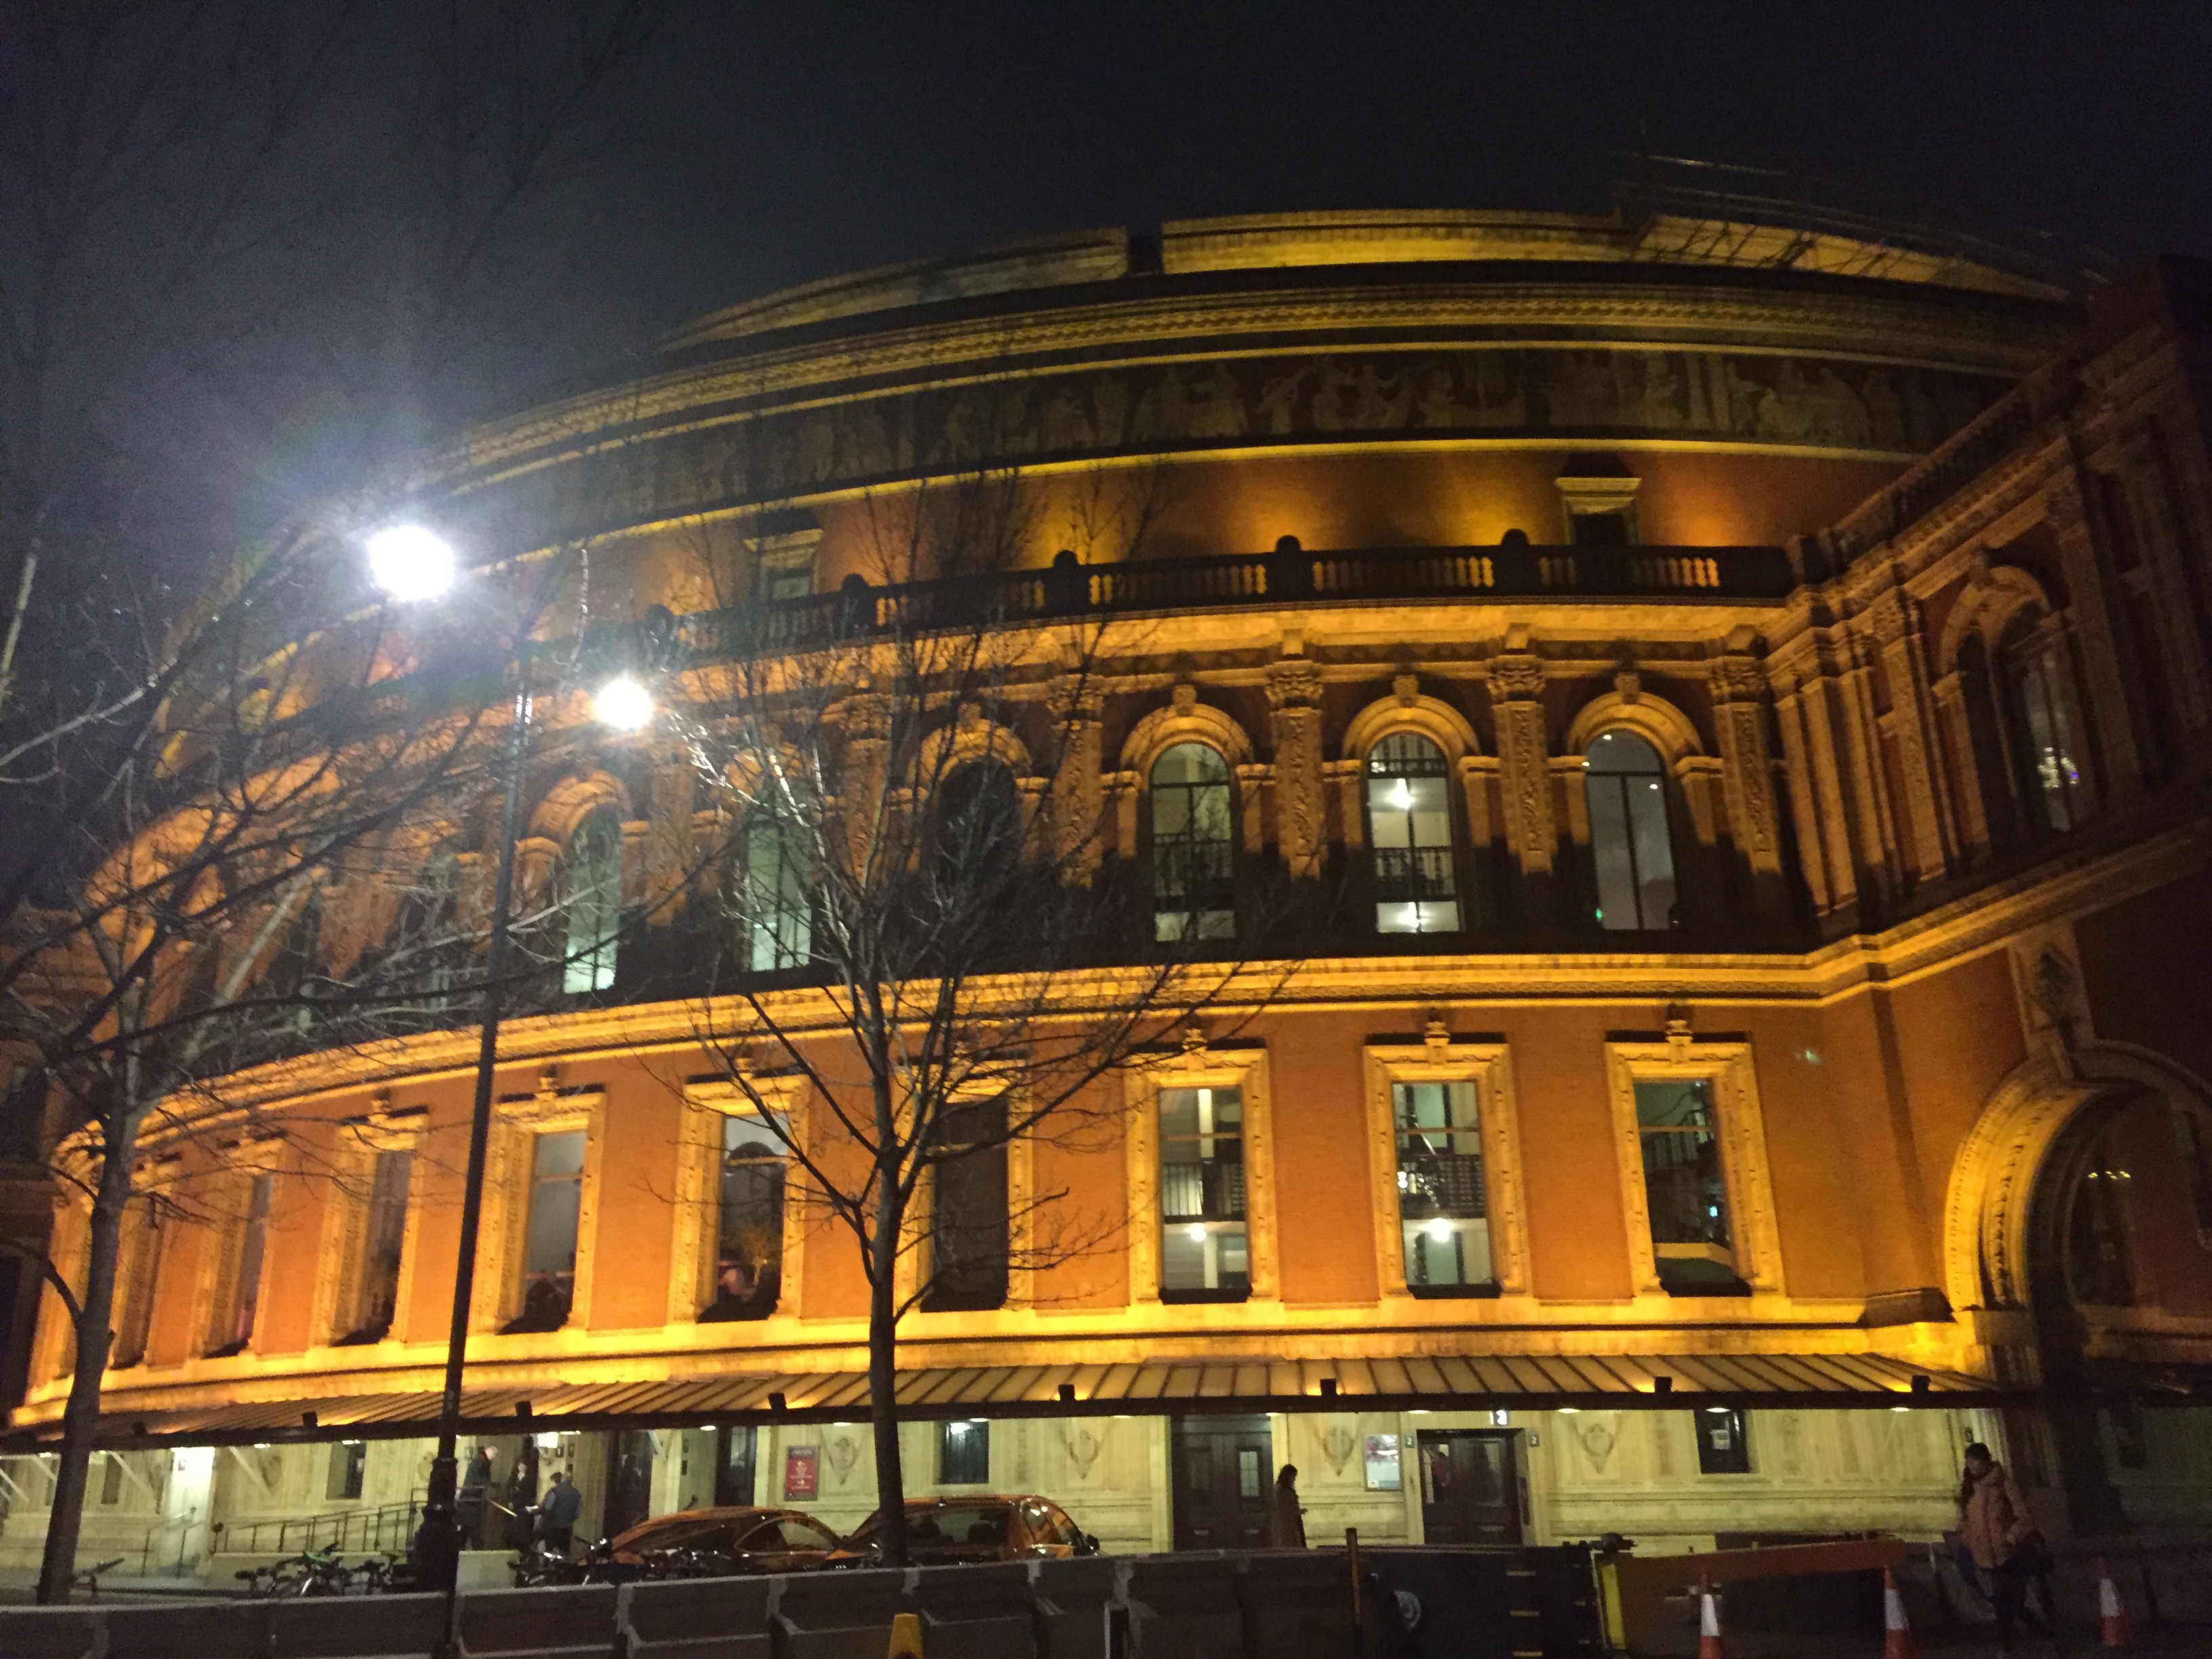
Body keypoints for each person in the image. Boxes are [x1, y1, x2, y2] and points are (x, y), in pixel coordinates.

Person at [1958, 1442, 2039, 1651]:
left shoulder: (2003, 1484)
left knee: (2004, 1599)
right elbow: (1965, 1519)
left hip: (2007, 1554)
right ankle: (2035, 1630)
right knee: (2008, 1601)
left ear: (1986, 1461)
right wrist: (1970, 1539)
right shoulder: (1969, 1487)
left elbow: (2024, 1515)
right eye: (1968, 1461)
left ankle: (2006, 1644)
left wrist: (2011, 1537)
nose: (1972, 1465)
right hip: (1983, 1555)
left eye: (1975, 1460)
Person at [537, 1471, 582, 1558]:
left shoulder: (555, 1491)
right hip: (567, 1528)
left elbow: (547, 1508)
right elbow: (578, 1512)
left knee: (549, 1552)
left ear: (562, 1479)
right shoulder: (577, 1494)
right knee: (563, 1553)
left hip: (552, 1526)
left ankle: (547, 1568)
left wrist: (543, 1518)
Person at [458, 1447, 495, 1550]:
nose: (495, 1458)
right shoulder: (480, 1462)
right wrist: (489, 1483)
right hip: (471, 1501)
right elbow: (476, 1478)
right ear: (490, 1453)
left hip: (469, 1502)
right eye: (495, 1455)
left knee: (466, 1531)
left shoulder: (480, 1462)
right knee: (472, 1531)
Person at [1270, 1464, 1307, 1549]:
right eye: (1293, 1476)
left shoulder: (1286, 1489)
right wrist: (1296, 1511)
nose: (1294, 1479)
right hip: (1285, 1523)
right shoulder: (1280, 1490)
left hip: (1292, 1521)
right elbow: (1282, 1507)